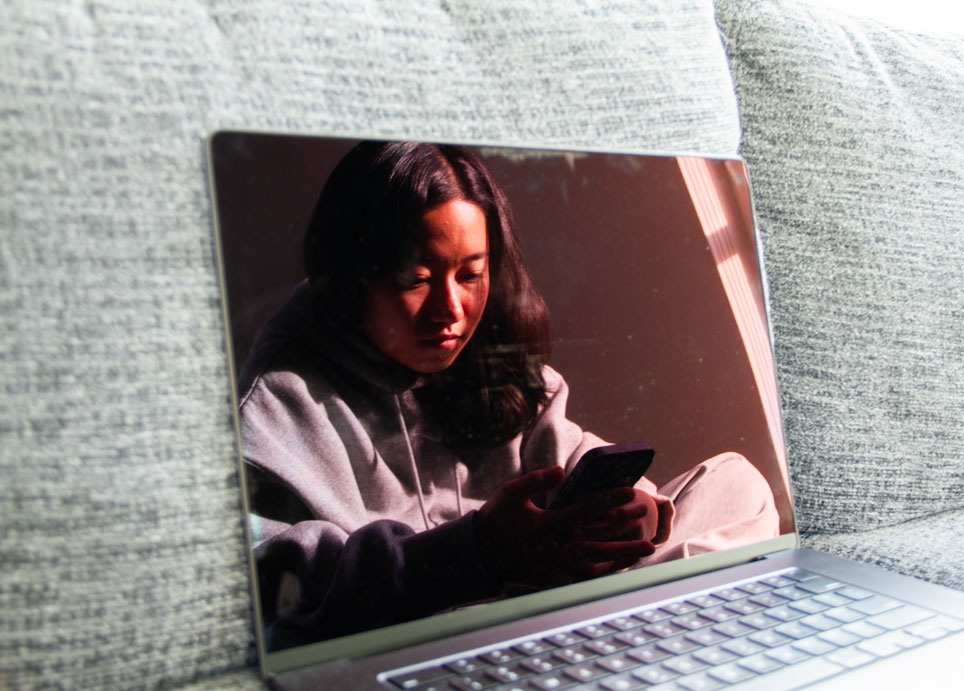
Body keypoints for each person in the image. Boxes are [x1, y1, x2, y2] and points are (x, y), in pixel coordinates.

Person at [237, 141, 779, 651]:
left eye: (470, 274)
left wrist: (639, 513)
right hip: (424, 641)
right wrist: (474, 554)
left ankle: (619, 632)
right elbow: (273, 596)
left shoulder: (486, 359)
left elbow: (572, 456)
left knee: (738, 485)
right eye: (416, 279)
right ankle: (644, 628)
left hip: (538, 612)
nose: (451, 309)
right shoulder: (277, 403)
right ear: (350, 277)